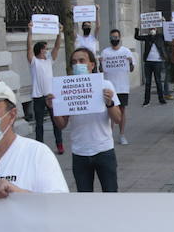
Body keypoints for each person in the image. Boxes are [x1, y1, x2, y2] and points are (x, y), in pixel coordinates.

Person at [53, 48, 123, 192]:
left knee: (111, 195)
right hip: (80, 152)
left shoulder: (105, 85)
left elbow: (117, 118)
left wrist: (109, 103)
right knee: (84, 199)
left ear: (92, 64)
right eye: (74, 62)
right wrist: (54, 107)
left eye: (81, 61)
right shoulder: (67, 88)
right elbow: (61, 124)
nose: (77, 64)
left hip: (103, 150)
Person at [26, 20, 64, 154]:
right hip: (38, 97)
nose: (47, 50)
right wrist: (30, 31)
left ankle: (59, 144)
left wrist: (59, 33)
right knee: (39, 124)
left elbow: (57, 47)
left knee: (56, 122)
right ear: (40, 50)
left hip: (50, 96)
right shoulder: (34, 62)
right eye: (45, 48)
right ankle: (39, 148)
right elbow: (29, 48)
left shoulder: (49, 61)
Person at [101, 29, 136, 145]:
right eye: (112, 37)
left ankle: (122, 134)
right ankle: (109, 135)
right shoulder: (105, 52)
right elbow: (101, 70)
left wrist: (130, 62)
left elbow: (131, 69)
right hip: (109, 86)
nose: (114, 39)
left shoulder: (126, 52)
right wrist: (100, 63)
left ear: (120, 38)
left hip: (122, 86)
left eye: (116, 37)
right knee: (109, 111)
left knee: (121, 111)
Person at [135, 24, 170, 104]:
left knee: (158, 80)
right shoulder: (147, 37)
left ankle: (161, 99)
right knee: (148, 82)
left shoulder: (160, 36)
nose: (152, 30)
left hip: (158, 61)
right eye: (150, 28)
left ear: (156, 29)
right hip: (148, 62)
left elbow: (168, 37)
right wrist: (137, 28)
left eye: (153, 28)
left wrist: (164, 24)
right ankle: (146, 100)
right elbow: (137, 37)